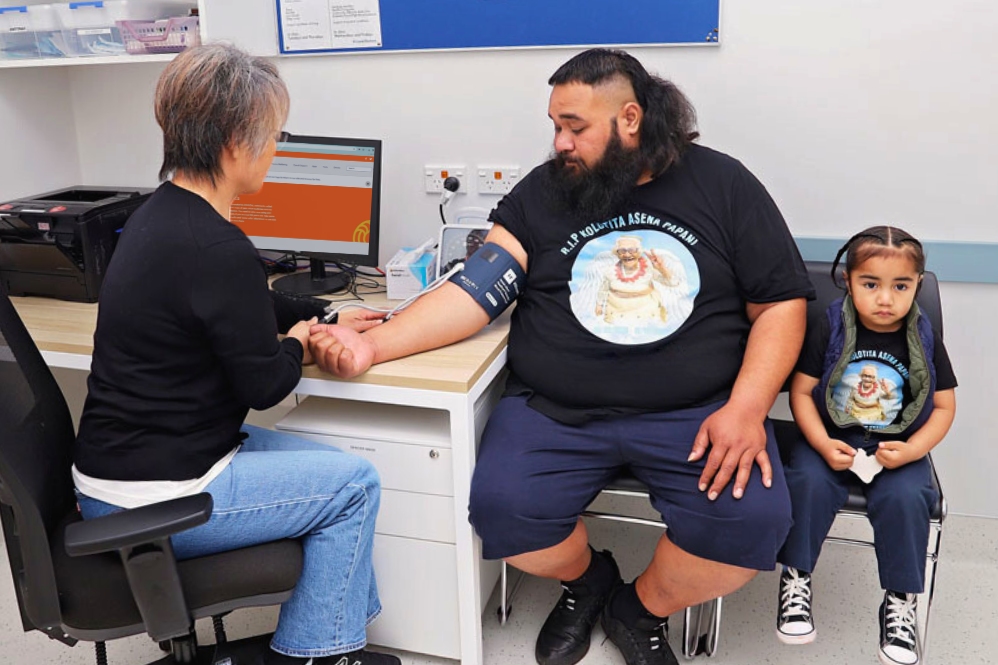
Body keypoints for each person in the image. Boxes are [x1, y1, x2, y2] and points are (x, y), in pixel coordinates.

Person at [309, 48, 814, 665]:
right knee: (502, 512)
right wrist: (372, 344)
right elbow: (476, 289)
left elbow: (782, 305)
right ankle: (588, 582)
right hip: (556, 410)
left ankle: (640, 609)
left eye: (576, 127)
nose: (561, 143)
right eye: (555, 125)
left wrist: (747, 407)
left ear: (631, 119)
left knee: (749, 526)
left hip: (698, 411)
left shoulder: (724, 184)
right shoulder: (546, 191)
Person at [71, 44, 395, 665]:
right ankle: (314, 654)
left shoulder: (158, 214)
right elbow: (266, 386)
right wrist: (302, 343)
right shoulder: (217, 247)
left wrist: (321, 315)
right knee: (355, 484)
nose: (278, 147)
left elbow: (238, 306)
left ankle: (338, 633)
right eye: (274, 135)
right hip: (156, 496)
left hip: (120, 469)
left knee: (334, 465)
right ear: (233, 145)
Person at [775, 226, 957, 665]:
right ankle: (796, 578)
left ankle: (899, 601)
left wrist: (914, 451)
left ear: (917, 283)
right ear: (849, 281)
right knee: (807, 482)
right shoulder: (830, 325)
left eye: (901, 286)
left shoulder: (924, 336)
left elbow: (945, 406)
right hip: (831, 438)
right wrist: (819, 442)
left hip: (899, 446)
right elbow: (801, 393)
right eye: (870, 284)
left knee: (909, 496)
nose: (885, 299)